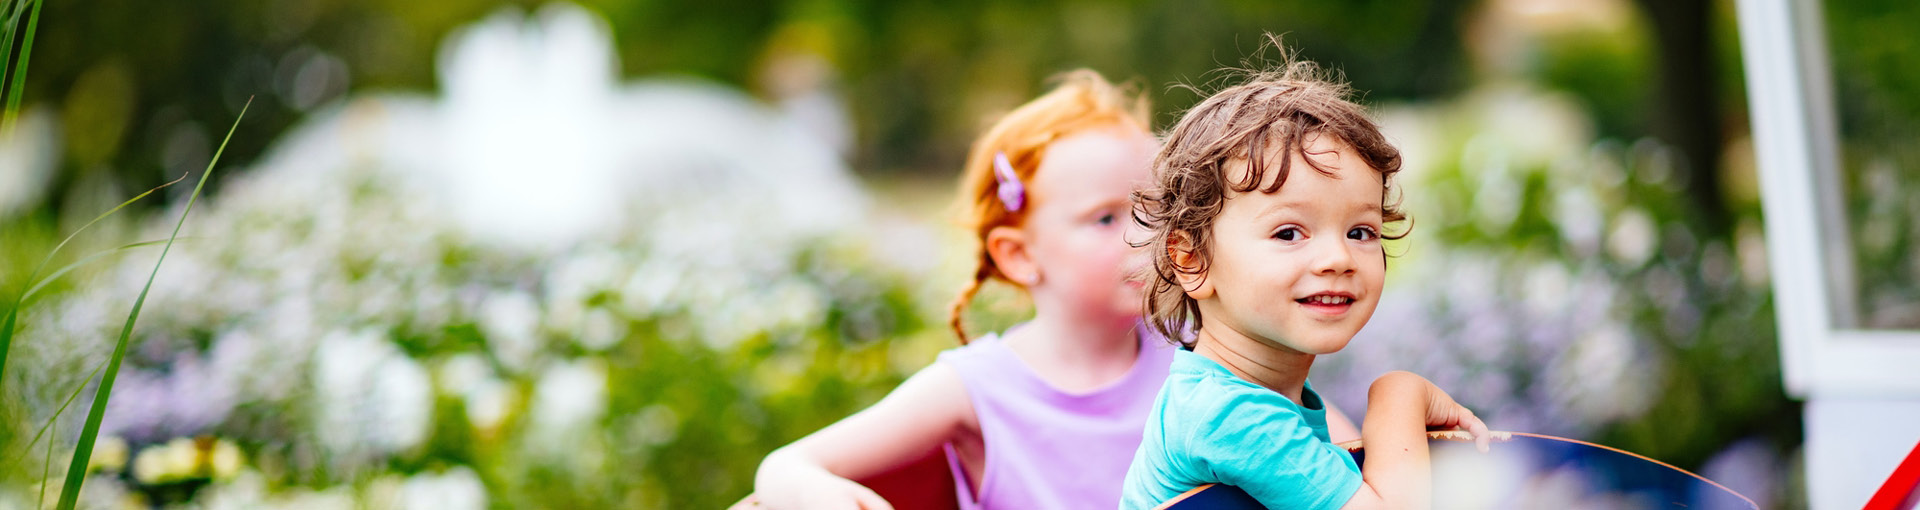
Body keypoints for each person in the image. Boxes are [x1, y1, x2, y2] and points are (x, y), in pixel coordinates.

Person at [752, 69, 1172, 510]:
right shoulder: (976, 387)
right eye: (1106, 218)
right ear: (1019, 256)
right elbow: (786, 464)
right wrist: (813, 490)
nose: (1148, 234)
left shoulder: (1192, 342)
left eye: (1157, 206)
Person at [1118, 45, 1491, 510]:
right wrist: (1398, 397)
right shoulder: (1231, 417)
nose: (1338, 258)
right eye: (1289, 232)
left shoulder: (1243, 397)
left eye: (1360, 231)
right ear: (1193, 261)